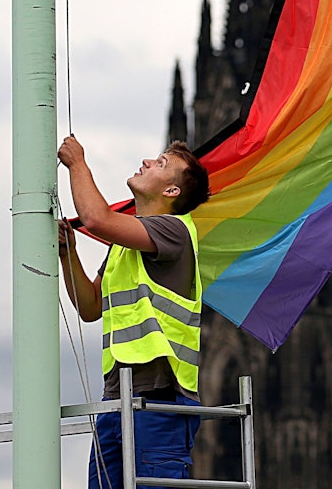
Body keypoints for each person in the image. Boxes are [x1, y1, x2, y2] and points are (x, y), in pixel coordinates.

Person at [57, 134, 211, 489]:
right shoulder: (124, 245)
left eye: (161, 164)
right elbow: (90, 306)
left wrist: (78, 164)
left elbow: (96, 218)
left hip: (160, 401)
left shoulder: (175, 231)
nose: (147, 162)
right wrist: (69, 255)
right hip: (116, 399)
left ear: (172, 192)